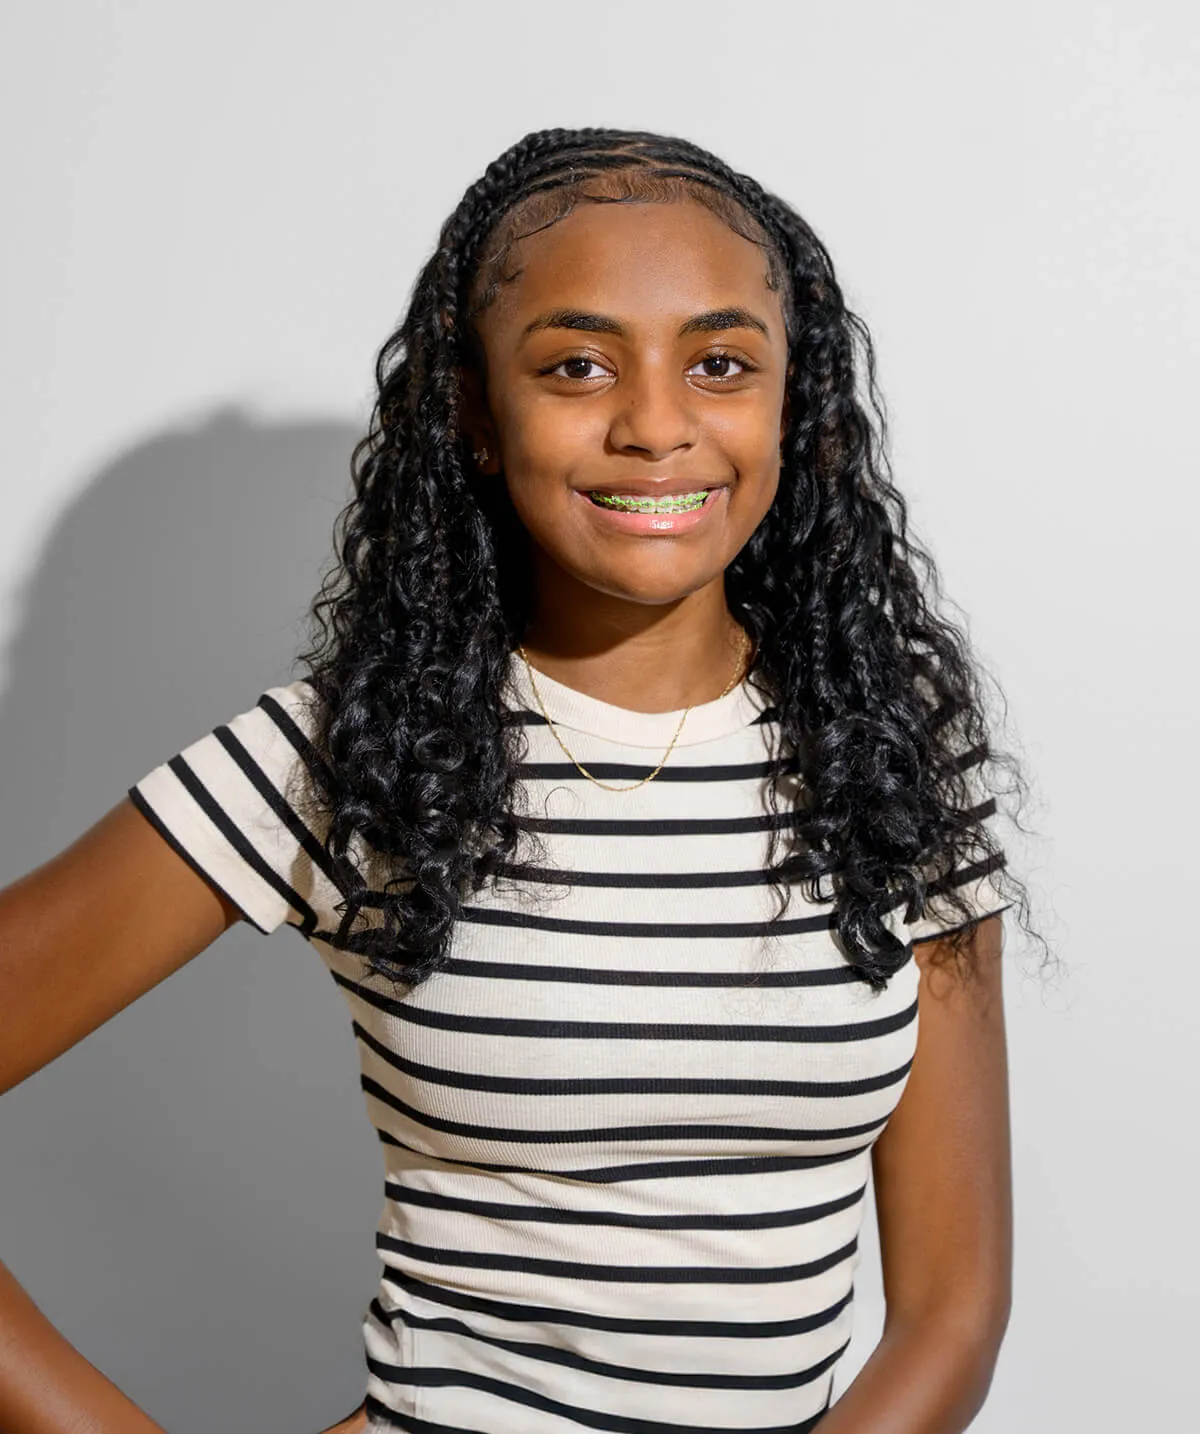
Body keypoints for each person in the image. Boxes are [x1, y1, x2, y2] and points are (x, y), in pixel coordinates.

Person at [0, 127, 1035, 1434]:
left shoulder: (894, 763)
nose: (657, 423)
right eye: (577, 365)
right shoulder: (358, 755)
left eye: (719, 364)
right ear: (478, 419)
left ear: (792, 407)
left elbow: (953, 1307)